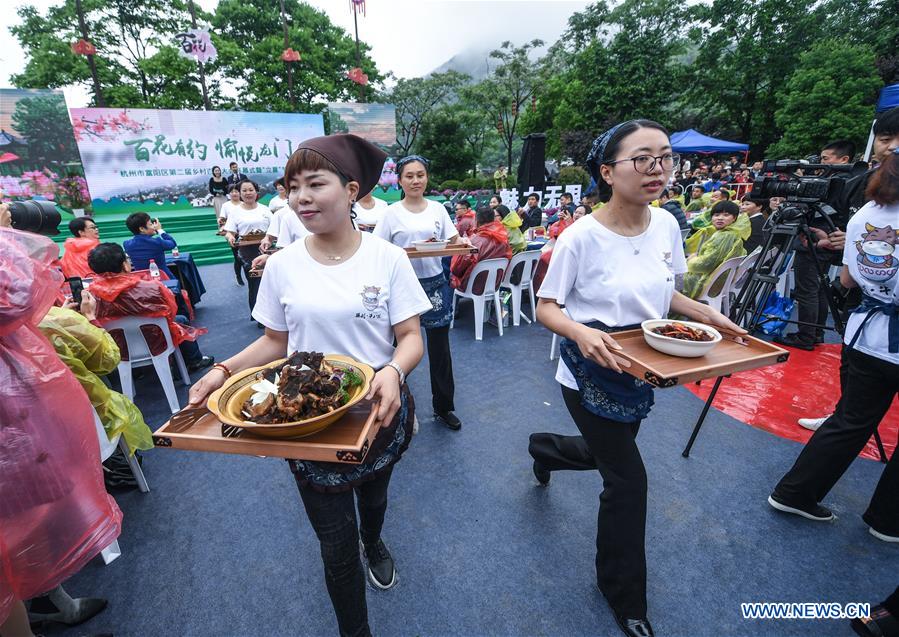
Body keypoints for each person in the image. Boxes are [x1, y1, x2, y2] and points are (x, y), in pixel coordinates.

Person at [187, 134, 432, 637]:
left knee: (375, 498)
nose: (301, 197)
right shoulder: (282, 264)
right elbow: (274, 341)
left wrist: (393, 371)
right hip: (307, 419)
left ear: (351, 190)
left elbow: (410, 337)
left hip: (377, 407)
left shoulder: (388, 257)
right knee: (335, 547)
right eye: (293, 186)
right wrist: (222, 371)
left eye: (315, 184)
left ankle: (375, 541)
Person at [527, 120, 744, 637]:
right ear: (608, 172)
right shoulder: (580, 236)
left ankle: (544, 449)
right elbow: (546, 307)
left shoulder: (666, 223)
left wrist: (708, 315)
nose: (657, 169)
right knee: (627, 481)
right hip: (589, 368)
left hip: (644, 365)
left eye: (665, 157)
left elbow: (665, 292)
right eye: (642, 158)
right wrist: (580, 332)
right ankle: (623, 593)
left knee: (604, 454)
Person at [769, 148, 899, 544]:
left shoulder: (865, 214)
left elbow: (846, 279)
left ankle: (795, 492)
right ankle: (888, 519)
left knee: (849, 421)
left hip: (866, 333)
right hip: (884, 331)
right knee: (851, 420)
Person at [0, 219, 122, 637]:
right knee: (23, 521)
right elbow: (18, 298)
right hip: (12, 426)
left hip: (17, 421)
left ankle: (46, 603)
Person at [374, 155, 465, 430]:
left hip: (434, 284)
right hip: (401, 288)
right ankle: (401, 407)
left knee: (440, 350)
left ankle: (444, 407)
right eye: (409, 176)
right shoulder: (390, 213)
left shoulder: (437, 209)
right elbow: (377, 250)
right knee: (399, 351)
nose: (415, 180)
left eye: (420, 175)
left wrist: (463, 241)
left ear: (427, 178)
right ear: (400, 180)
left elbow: (453, 240)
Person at [38, 294, 154, 455]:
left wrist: (57, 316)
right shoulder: (59, 321)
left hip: (35, 436)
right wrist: (89, 317)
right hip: (87, 421)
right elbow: (109, 360)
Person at [87, 243, 214, 372]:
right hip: (155, 339)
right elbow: (170, 312)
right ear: (125, 265)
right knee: (181, 319)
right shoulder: (151, 288)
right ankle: (194, 361)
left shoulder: (90, 295)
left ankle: (136, 373)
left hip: (117, 347)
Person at [774, 139, 851, 351]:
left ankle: (805, 335)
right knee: (819, 289)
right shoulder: (846, 182)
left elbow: (816, 209)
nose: (821, 163)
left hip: (815, 240)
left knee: (807, 290)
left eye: (826, 159)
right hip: (826, 240)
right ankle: (815, 332)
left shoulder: (836, 184)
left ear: (844, 159)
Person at [223, 179, 273, 317]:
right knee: (255, 283)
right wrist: (230, 237)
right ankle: (259, 316)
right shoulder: (235, 212)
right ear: (240, 193)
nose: (248, 193)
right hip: (247, 252)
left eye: (251, 190)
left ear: (256, 192)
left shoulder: (265, 209)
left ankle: (274, 314)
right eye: (244, 190)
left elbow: (275, 229)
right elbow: (229, 232)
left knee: (271, 282)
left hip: (266, 249)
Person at [682, 200, 748, 299]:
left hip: (705, 282)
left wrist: (690, 260)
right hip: (718, 281)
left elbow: (706, 264)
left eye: (726, 215)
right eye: (716, 215)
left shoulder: (725, 236)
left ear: (734, 218)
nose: (720, 218)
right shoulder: (733, 233)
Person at [450, 205, 512, 293]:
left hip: (473, 286)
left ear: (476, 221)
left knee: (449, 274)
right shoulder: (503, 238)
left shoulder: (472, 242)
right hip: (495, 284)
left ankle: (449, 302)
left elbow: (456, 269)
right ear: (493, 219)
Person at [123, 212, 178, 277]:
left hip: (142, 280)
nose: (154, 226)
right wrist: (160, 230)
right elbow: (172, 243)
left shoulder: (127, 244)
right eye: (151, 224)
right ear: (142, 229)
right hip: (163, 278)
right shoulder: (157, 242)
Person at [219, 184, 245, 286]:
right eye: (232, 192)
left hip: (245, 234)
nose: (234, 193)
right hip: (232, 234)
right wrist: (221, 223)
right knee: (237, 257)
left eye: (236, 191)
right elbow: (222, 218)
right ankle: (238, 276)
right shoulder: (226, 205)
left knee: (246, 255)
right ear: (229, 194)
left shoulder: (244, 204)